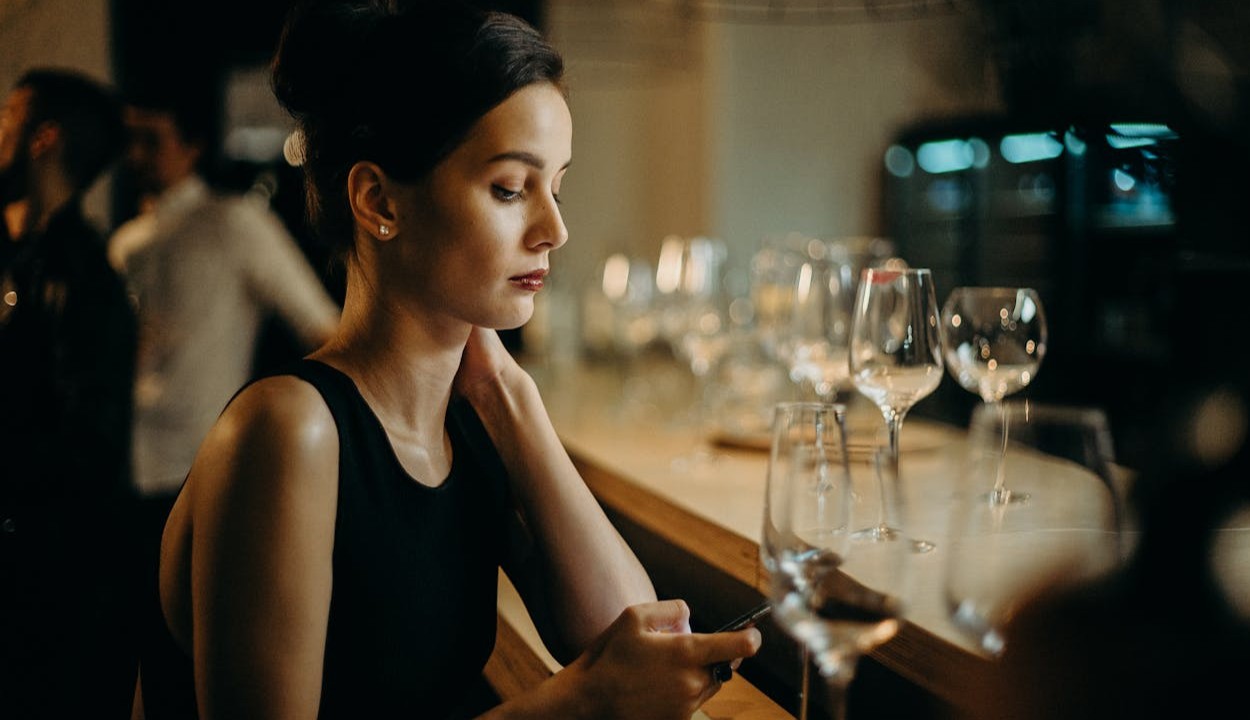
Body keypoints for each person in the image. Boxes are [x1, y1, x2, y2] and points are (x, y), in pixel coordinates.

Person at [135, 1, 761, 718]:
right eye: (508, 188)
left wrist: (509, 397)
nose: (555, 229)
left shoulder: (472, 423)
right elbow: (608, 685)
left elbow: (628, 633)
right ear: (378, 201)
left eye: (556, 185)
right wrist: (576, 706)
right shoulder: (287, 432)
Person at [107, 78, 341, 522]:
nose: (135, 156)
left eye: (151, 140)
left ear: (193, 145)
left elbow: (319, 325)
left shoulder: (233, 223)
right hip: (123, 463)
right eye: (130, 140)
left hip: (200, 463)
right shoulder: (122, 244)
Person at [0, 67, 138, 717]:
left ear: (42, 136)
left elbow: (90, 452)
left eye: (9, 114)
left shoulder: (89, 287)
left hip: (44, 599)